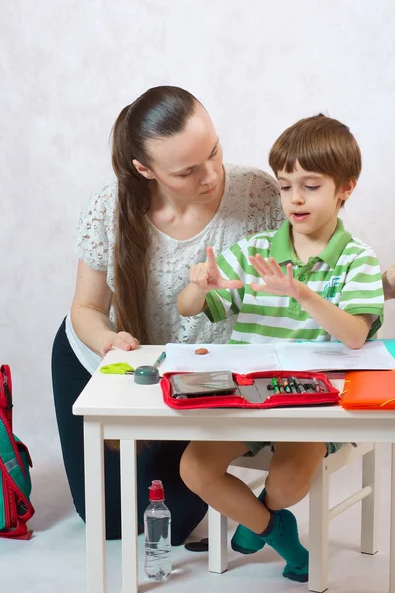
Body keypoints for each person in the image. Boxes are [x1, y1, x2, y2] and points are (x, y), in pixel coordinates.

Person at [51, 85, 284, 543]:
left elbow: (317, 269)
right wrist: (107, 342)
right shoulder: (109, 206)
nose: (211, 174)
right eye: (187, 171)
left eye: (214, 151)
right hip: (109, 362)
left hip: (195, 374)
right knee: (107, 520)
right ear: (145, 169)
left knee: (170, 517)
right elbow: (86, 308)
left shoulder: (257, 195)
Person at [177, 114, 384, 581]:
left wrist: (302, 294)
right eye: (286, 185)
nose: (295, 198)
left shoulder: (358, 259)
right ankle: (278, 531)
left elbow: (354, 334)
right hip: (246, 395)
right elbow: (192, 306)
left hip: (314, 401)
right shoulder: (256, 251)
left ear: (345, 188)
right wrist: (197, 284)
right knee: (195, 468)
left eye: (310, 186)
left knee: (289, 482)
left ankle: (266, 517)